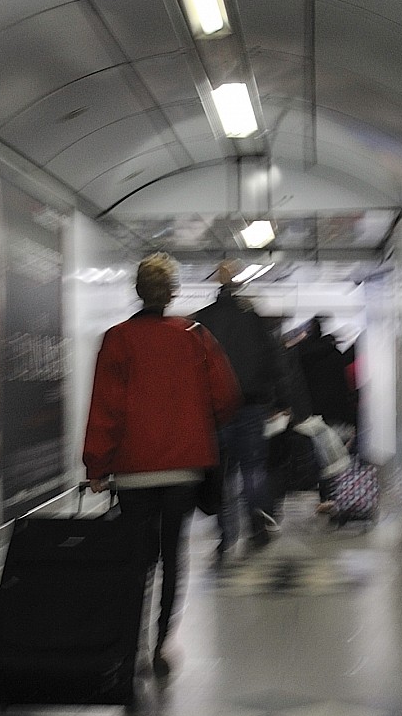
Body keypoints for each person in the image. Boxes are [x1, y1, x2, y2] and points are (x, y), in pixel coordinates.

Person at [83, 254, 238, 674]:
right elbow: (225, 396)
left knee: (136, 559)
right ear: (172, 292)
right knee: (173, 555)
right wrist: (195, 424)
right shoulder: (194, 335)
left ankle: (131, 644)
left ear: (137, 291)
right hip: (183, 469)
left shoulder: (116, 339)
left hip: (133, 472)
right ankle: (161, 644)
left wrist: (96, 467)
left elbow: (105, 409)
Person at [195, 261, 293, 557]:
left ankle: (226, 537)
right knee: (253, 468)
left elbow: (196, 368)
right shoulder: (253, 319)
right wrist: (282, 401)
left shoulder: (203, 321)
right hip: (252, 405)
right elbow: (274, 359)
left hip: (217, 411)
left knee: (222, 473)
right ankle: (256, 522)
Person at [295, 313, 356, 507]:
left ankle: (325, 496)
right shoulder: (334, 354)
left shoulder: (301, 355)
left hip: (312, 412)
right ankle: (339, 494)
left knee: (319, 454)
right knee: (337, 455)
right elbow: (342, 386)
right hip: (335, 411)